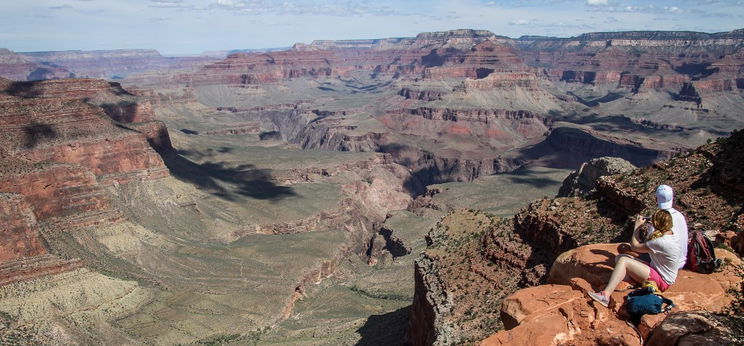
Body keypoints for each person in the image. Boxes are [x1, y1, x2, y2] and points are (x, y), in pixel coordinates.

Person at [588, 209, 683, 307]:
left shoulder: (661, 241)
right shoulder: (670, 234)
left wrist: (637, 226)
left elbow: (635, 247)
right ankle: (631, 281)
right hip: (657, 271)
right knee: (620, 257)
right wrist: (652, 227)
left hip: (661, 280)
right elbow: (650, 243)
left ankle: (605, 296)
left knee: (623, 261)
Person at [655, 185, 688, 269]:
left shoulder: (657, 218)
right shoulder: (680, 215)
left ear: (656, 199)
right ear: (672, 198)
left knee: (624, 251)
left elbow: (649, 245)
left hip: (665, 265)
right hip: (681, 262)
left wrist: (637, 227)